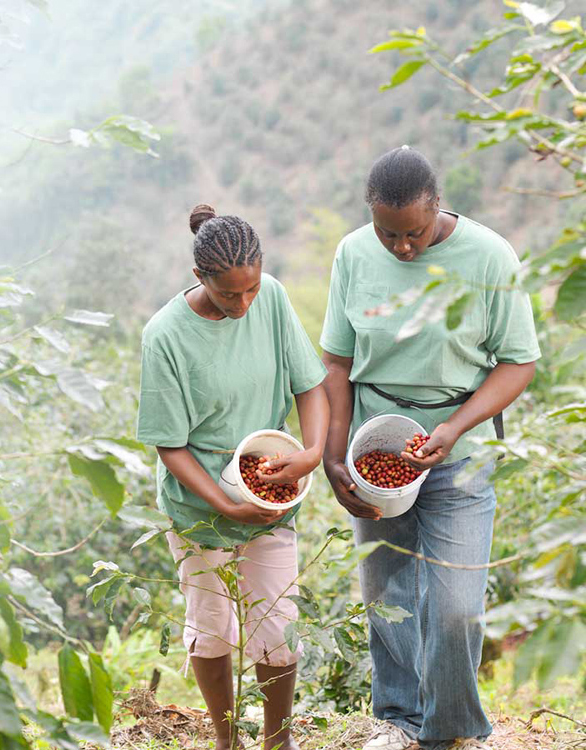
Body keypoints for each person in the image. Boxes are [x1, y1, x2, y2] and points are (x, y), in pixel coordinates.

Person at [319, 147, 540, 750]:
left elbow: (519, 362)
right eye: (387, 233)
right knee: (386, 594)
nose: (401, 248)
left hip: (458, 450)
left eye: (413, 233)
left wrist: (455, 427)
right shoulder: (353, 253)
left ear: (437, 206)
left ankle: (450, 732)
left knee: (455, 606)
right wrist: (335, 459)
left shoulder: (488, 256)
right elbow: (337, 361)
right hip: (373, 450)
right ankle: (397, 719)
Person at [136, 204, 330, 750]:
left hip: (270, 493)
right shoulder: (166, 335)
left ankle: (277, 740)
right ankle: (226, 740)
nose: (244, 304)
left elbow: (308, 385)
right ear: (200, 278)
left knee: (276, 624)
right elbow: (170, 445)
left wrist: (312, 450)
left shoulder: (271, 298)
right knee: (213, 623)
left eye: (251, 290)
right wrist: (224, 505)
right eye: (229, 295)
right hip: (201, 503)